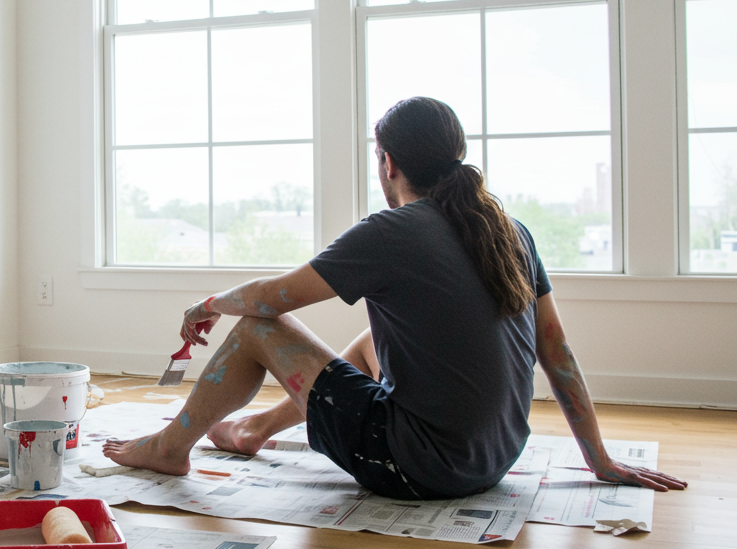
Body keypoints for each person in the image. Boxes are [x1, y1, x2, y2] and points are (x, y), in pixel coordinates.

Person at [104, 97, 687, 498]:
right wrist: (599, 460)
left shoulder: (390, 233)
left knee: (259, 329)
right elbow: (555, 351)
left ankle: (169, 446)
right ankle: (255, 430)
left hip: (420, 469)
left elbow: (268, 299)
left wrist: (207, 305)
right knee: (375, 336)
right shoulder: (509, 229)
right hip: (495, 457)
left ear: (388, 162)